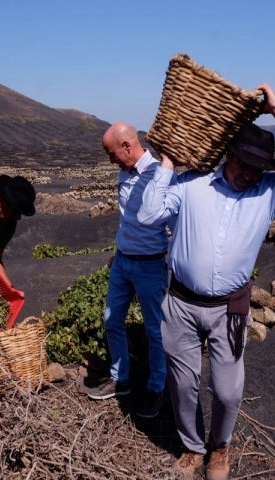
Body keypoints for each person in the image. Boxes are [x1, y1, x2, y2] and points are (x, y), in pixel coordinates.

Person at [137, 83, 275, 480]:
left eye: (257, 168)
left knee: (226, 391)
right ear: (228, 155)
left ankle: (219, 447)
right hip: (181, 305)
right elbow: (148, 216)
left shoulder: (270, 193)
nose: (248, 174)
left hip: (229, 308)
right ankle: (191, 448)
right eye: (243, 164)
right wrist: (167, 167)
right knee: (183, 385)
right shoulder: (191, 186)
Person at [86, 122, 172, 419]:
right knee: (112, 319)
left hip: (150, 265)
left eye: (112, 154)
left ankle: (156, 387)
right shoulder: (123, 173)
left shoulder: (161, 173)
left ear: (127, 146)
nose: (111, 161)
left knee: (155, 330)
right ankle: (120, 378)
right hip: (123, 261)